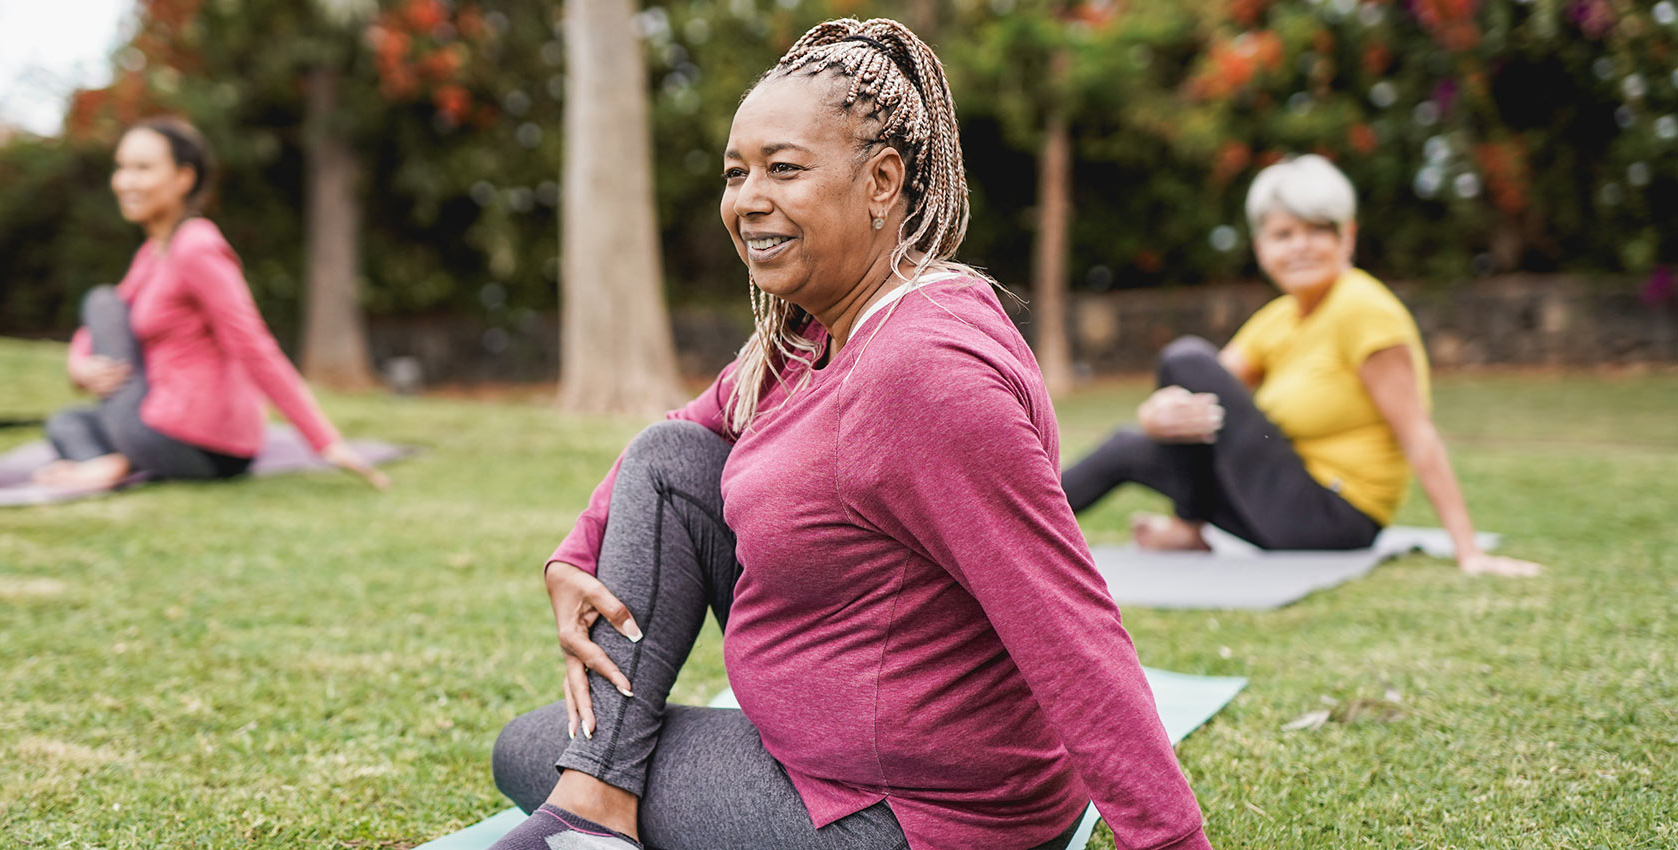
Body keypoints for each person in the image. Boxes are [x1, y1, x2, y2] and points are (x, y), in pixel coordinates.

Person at [486, 19, 1211, 850]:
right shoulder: (814, 333)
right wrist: (574, 554)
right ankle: (594, 810)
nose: (747, 199)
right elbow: (685, 433)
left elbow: (1068, 625)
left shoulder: (923, 374)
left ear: (881, 181)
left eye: (783, 168)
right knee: (670, 464)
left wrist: (1170, 843)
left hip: (913, 817)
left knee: (535, 749)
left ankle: (588, 813)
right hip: (831, 761)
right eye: (735, 173)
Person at [1060, 154, 1538, 577]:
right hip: (1276, 504)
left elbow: (1417, 431)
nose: (1300, 247)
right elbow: (1204, 390)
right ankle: (1002, 543)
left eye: (1317, 230)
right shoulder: (1281, 317)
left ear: (1347, 236)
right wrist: (1155, 415)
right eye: (1284, 234)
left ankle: (1187, 526)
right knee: (1128, 444)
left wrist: (1468, 551)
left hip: (1333, 515)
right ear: (1262, 247)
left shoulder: (1363, 309)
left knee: (1184, 355)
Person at [35, 117, 386, 491]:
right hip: (179, 436)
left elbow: (253, 344)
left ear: (184, 178)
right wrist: (79, 366)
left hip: (190, 438)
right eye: (121, 168)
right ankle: (115, 462)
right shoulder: (153, 254)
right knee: (66, 422)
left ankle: (114, 462)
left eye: (142, 168)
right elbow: (102, 325)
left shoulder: (196, 246)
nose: (125, 181)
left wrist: (325, 441)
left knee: (101, 299)